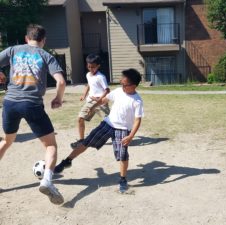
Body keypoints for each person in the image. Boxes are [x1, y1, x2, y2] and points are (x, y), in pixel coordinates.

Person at [0, 24, 66, 204]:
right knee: (51, 146)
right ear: (43, 40)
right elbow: (60, 82)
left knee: (6, 141)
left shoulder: (13, 50)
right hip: (32, 105)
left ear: (26, 38)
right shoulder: (46, 56)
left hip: (10, 103)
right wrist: (58, 99)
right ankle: (46, 181)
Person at [55, 68, 144, 193]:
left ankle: (123, 179)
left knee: (122, 154)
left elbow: (137, 121)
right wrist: (94, 107)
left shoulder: (137, 101)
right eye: (121, 83)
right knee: (86, 142)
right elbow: (104, 100)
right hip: (107, 124)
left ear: (133, 85)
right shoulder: (118, 91)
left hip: (123, 130)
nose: (122, 86)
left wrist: (131, 136)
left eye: (125, 84)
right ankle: (66, 161)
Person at [70, 54, 110, 149]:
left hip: (101, 102)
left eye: (93, 67)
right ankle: (81, 140)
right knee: (80, 118)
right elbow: (89, 85)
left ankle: (120, 136)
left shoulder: (101, 77)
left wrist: (99, 99)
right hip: (90, 101)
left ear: (98, 66)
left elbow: (107, 90)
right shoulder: (88, 74)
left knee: (110, 122)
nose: (91, 69)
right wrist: (84, 95)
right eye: (89, 66)